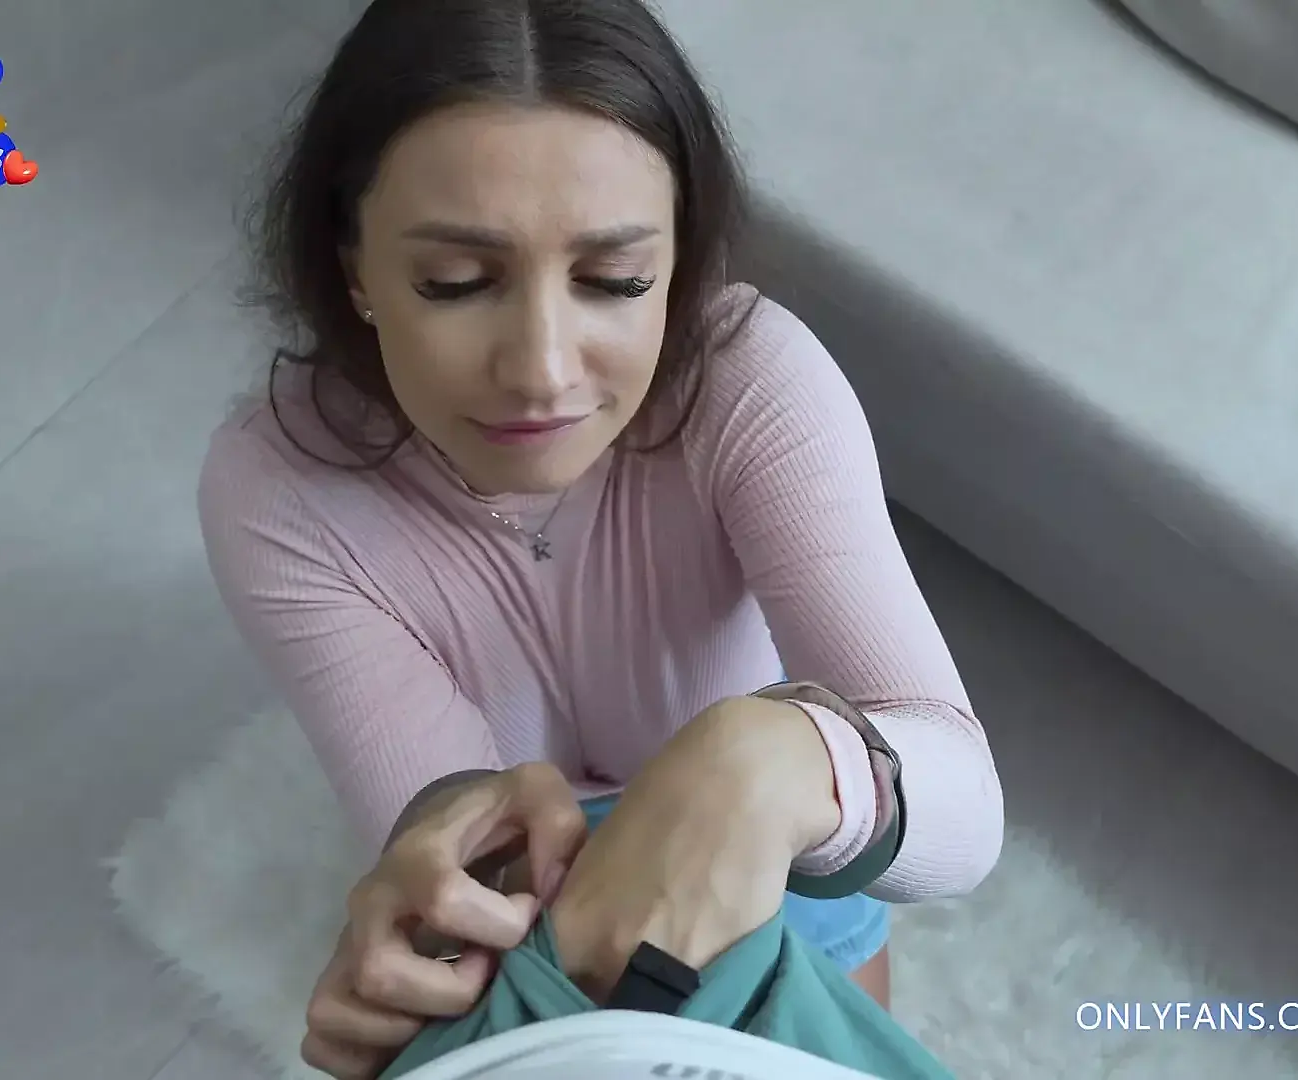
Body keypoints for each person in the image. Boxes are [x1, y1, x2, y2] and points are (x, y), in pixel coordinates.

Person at [196, 0, 1005, 1076]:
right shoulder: (278, 486)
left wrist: (776, 760)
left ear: (679, 261)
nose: (541, 370)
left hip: (778, 859)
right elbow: (446, 820)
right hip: (539, 926)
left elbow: (963, 815)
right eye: (456, 283)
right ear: (355, 270)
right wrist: (448, 872)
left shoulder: (748, 380)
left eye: (616, 281)